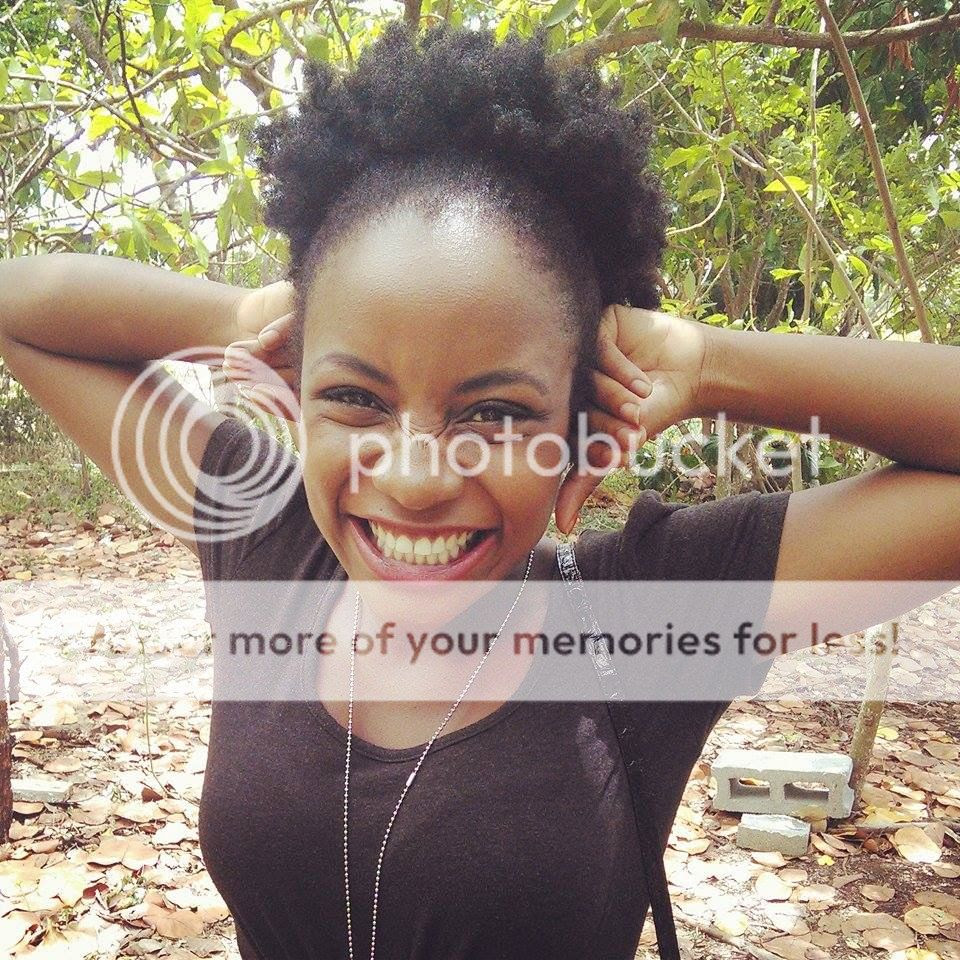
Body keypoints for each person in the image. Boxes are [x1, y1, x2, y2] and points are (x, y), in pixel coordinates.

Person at [1, 19, 958, 960]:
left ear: (580, 421)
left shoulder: (656, 614)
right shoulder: (266, 545)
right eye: (355, 397)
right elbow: (19, 307)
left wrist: (707, 363)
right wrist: (252, 311)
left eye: (493, 414)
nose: (415, 480)